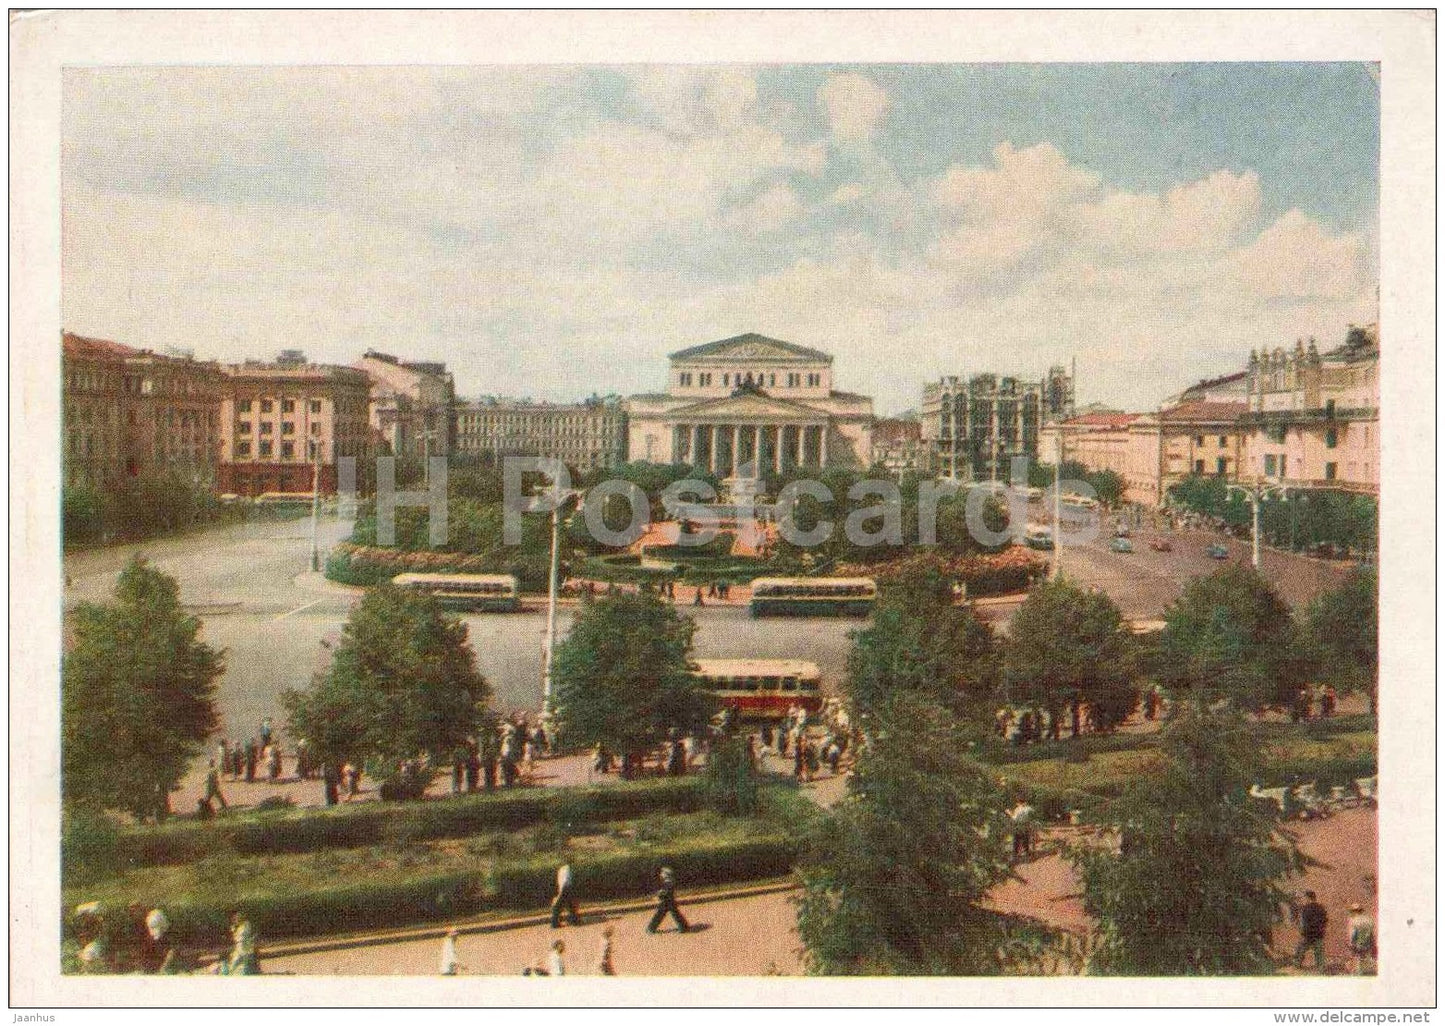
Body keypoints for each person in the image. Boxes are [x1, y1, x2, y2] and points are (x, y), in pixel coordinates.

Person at [647, 866, 689, 934]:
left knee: (659, 915)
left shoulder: (668, 882)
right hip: (669, 901)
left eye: (662, 873)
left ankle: (651, 928)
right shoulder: (669, 882)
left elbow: (666, 892)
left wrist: (659, 894)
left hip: (666, 902)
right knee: (675, 914)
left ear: (666, 874)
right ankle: (683, 926)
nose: (661, 874)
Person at [1294, 891, 1328, 972]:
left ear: (1308, 898)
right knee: (1319, 951)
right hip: (1318, 933)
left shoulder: (1305, 908)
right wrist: (1322, 930)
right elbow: (1325, 921)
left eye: (1305, 897)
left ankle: (1297, 964)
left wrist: (1302, 931)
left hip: (1308, 933)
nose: (1304, 899)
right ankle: (1321, 968)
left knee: (1301, 949)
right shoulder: (1321, 907)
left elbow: (1303, 922)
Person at [1347, 903, 1376, 975]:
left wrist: (1351, 943)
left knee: (1359, 958)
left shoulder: (1355, 920)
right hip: (1368, 941)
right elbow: (1371, 932)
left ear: (1355, 911)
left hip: (1359, 942)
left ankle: (1359, 972)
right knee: (1366, 956)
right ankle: (1367, 971)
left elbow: (1354, 933)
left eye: (1352, 912)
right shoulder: (1368, 919)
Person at [551, 862, 582, 928]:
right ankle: (573, 921)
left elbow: (560, 881)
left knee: (559, 905)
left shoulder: (561, 870)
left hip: (564, 888)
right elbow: (566, 881)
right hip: (567, 888)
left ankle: (556, 923)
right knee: (567, 905)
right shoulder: (567, 869)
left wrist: (560, 891)